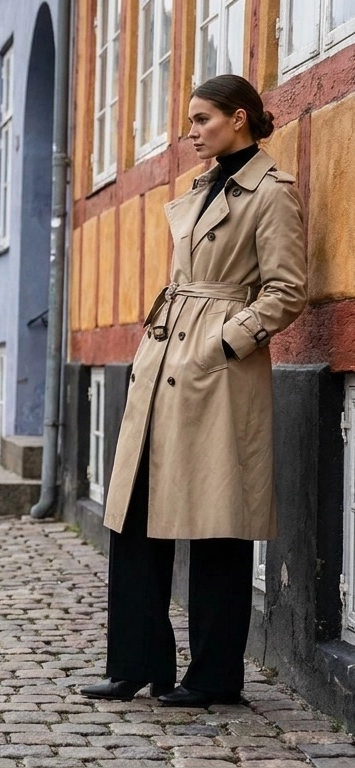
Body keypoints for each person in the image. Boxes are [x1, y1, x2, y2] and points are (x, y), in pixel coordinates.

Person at [80, 75, 307, 709]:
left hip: (216, 374)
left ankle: (213, 677)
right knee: (134, 516)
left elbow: (287, 290)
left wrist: (225, 343)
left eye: (202, 119)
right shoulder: (201, 188)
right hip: (162, 359)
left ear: (239, 118)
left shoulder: (271, 193)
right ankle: (134, 663)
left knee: (215, 525)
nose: (191, 132)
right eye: (189, 120)